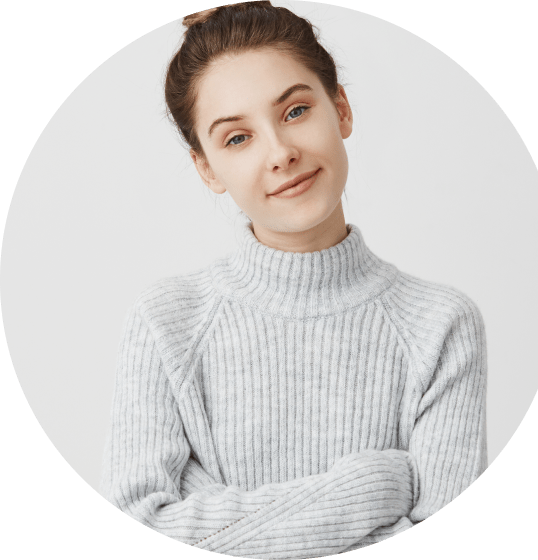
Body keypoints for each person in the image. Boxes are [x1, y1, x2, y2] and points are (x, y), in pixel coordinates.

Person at [99, 2, 488, 558]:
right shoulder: (166, 324)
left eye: (296, 111)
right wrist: (373, 487)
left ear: (341, 109)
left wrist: (216, 521)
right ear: (207, 167)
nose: (281, 153)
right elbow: (137, 529)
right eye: (237, 138)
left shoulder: (440, 325)